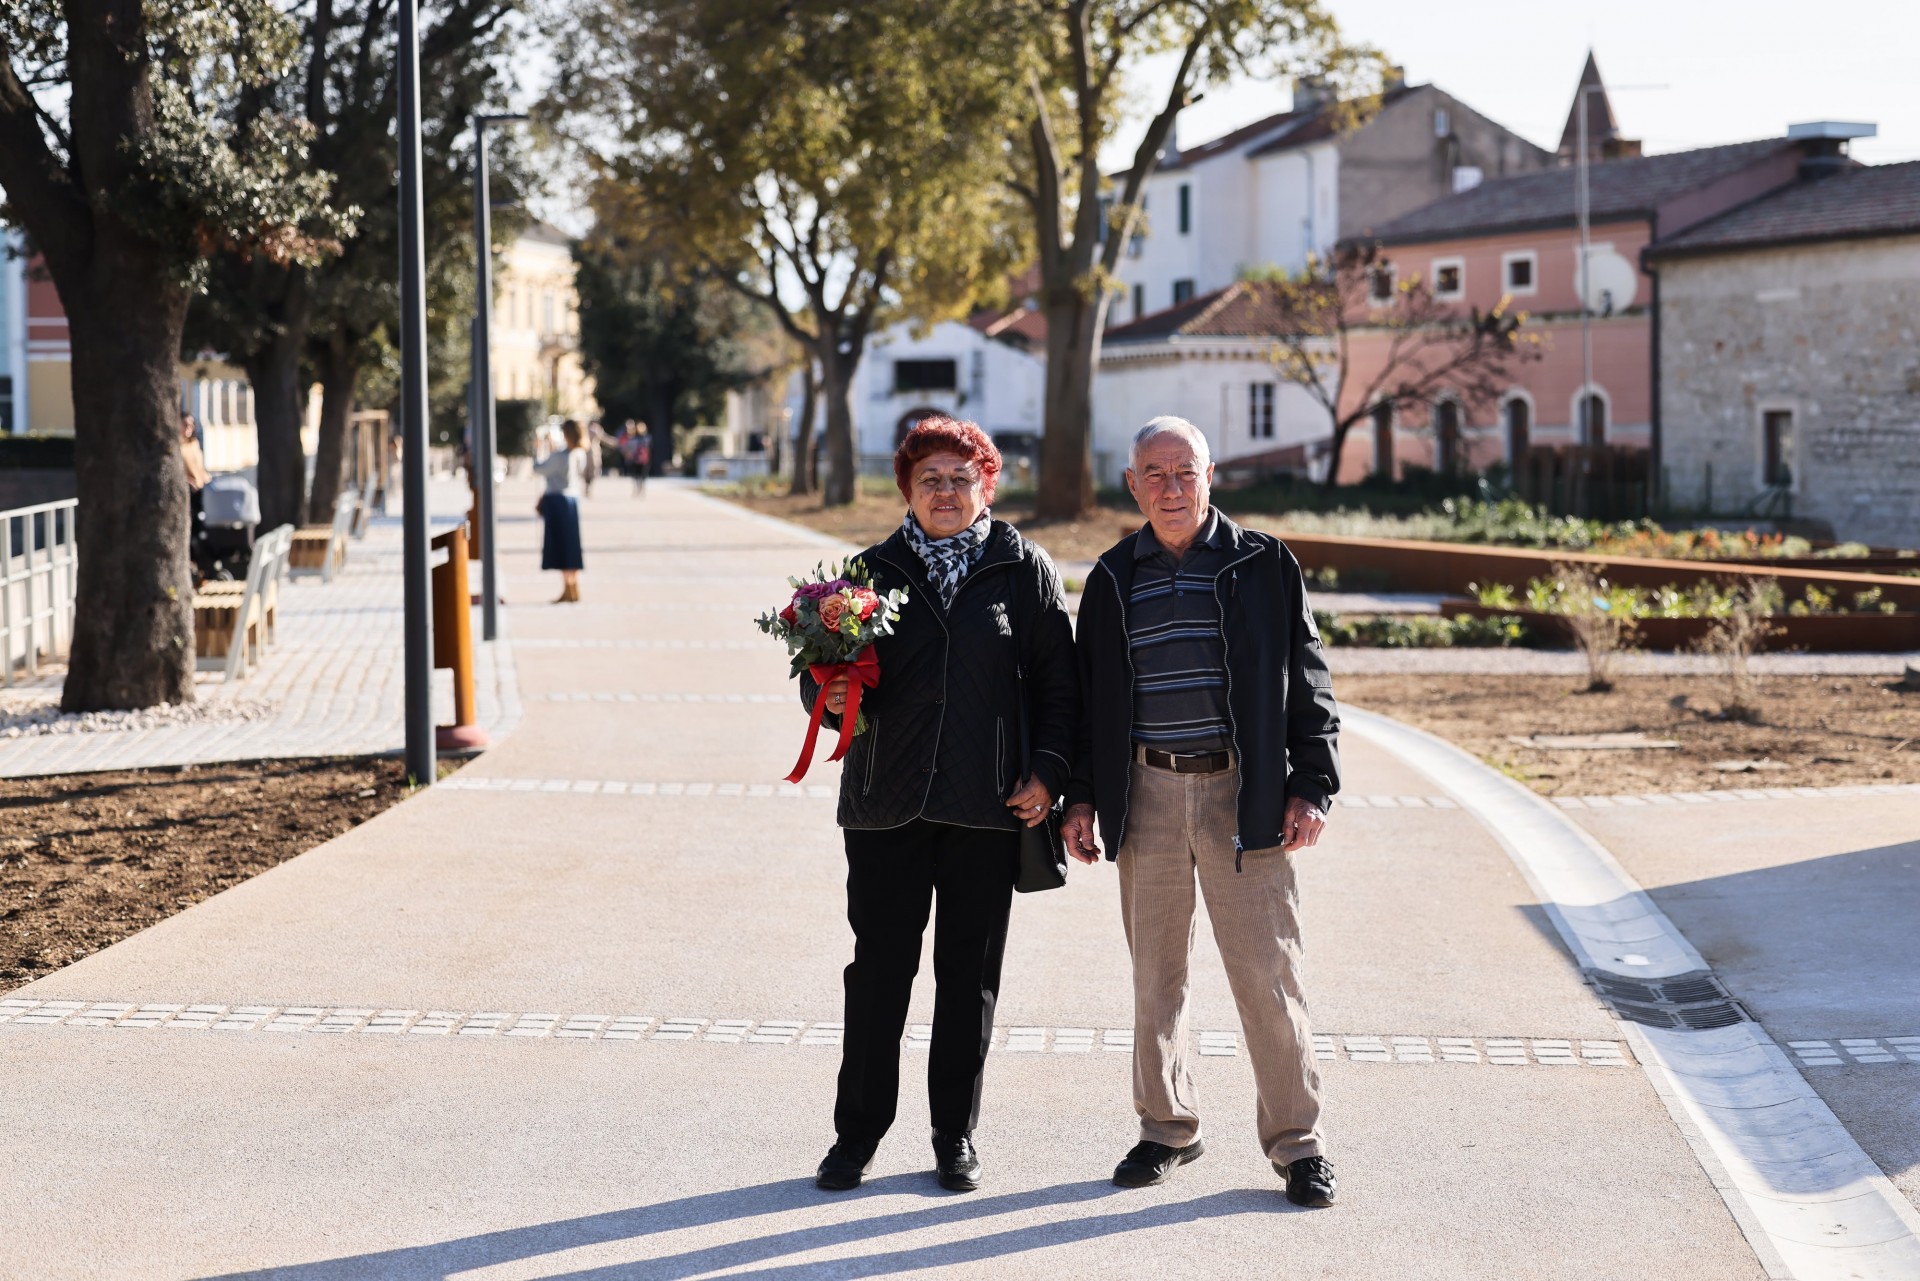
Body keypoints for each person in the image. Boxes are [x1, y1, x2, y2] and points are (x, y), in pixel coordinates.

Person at [1063, 415, 1342, 1209]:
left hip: (1242, 794)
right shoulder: (1114, 577)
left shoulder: (1263, 564)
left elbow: (1311, 681)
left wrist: (1311, 782)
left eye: (1185, 471)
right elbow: (1088, 703)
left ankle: (1298, 1143)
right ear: (1132, 485)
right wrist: (1082, 796)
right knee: (1157, 976)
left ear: (1211, 474)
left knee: (1268, 975)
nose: (1171, 487)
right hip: (1145, 792)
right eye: (1155, 473)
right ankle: (1166, 1127)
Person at [804, 414, 1078, 1195]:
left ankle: (954, 1135)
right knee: (879, 974)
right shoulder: (866, 571)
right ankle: (855, 1136)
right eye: (932, 478)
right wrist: (826, 698)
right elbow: (819, 679)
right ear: (907, 487)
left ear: (986, 483)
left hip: (988, 810)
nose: (947, 491)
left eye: (963, 477)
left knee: (969, 979)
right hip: (884, 807)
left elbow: (1061, 687)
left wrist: (1049, 770)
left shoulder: (1023, 569)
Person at [535, 418, 587, 603]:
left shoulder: (561, 456)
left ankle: (568, 588)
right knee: (572, 546)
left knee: (561, 547)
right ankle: (573, 587)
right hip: (572, 500)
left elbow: (539, 468)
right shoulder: (579, 454)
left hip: (557, 501)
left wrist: (538, 448)